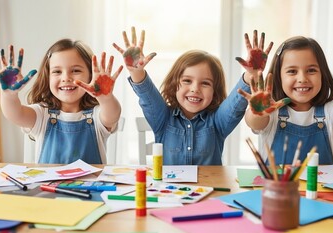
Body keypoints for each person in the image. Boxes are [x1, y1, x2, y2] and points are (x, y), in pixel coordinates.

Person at [113, 27, 273, 165]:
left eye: (205, 83)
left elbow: (235, 104)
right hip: (170, 195)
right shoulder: (163, 119)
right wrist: (137, 71)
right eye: (187, 81)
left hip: (210, 194)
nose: (195, 89)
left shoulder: (218, 122)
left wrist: (251, 74)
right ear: (173, 84)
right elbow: (147, 97)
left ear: (214, 91)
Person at [239, 36, 333, 165]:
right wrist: (257, 112)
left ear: (322, 74)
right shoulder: (272, 111)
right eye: (292, 71)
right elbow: (254, 122)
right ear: (278, 76)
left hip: (323, 194)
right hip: (278, 193)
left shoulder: (330, 111)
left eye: (311, 70)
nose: (302, 79)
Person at [0, 39, 123, 164]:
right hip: (48, 188)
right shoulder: (41, 114)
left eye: (75, 70)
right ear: (47, 77)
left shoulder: (97, 115)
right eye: (57, 71)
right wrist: (9, 95)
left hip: (92, 188)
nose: (66, 78)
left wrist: (106, 99)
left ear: (91, 75)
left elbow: (112, 115)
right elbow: (15, 114)